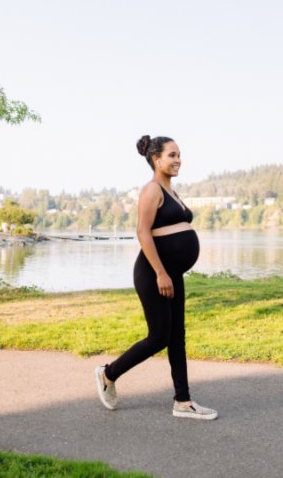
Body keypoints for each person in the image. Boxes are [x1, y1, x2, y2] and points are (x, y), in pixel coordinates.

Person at [94, 135, 218, 420]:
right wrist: (161, 272)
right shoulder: (151, 190)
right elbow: (142, 231)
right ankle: (108, 374)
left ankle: (183, 401)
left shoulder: (171, 191)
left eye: (179, 155)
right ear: (156, 159)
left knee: (178, 336)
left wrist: (171, 270)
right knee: (159, 337)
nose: (177, 160)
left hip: (171, 272)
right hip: (154, 272)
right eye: (172, 155)